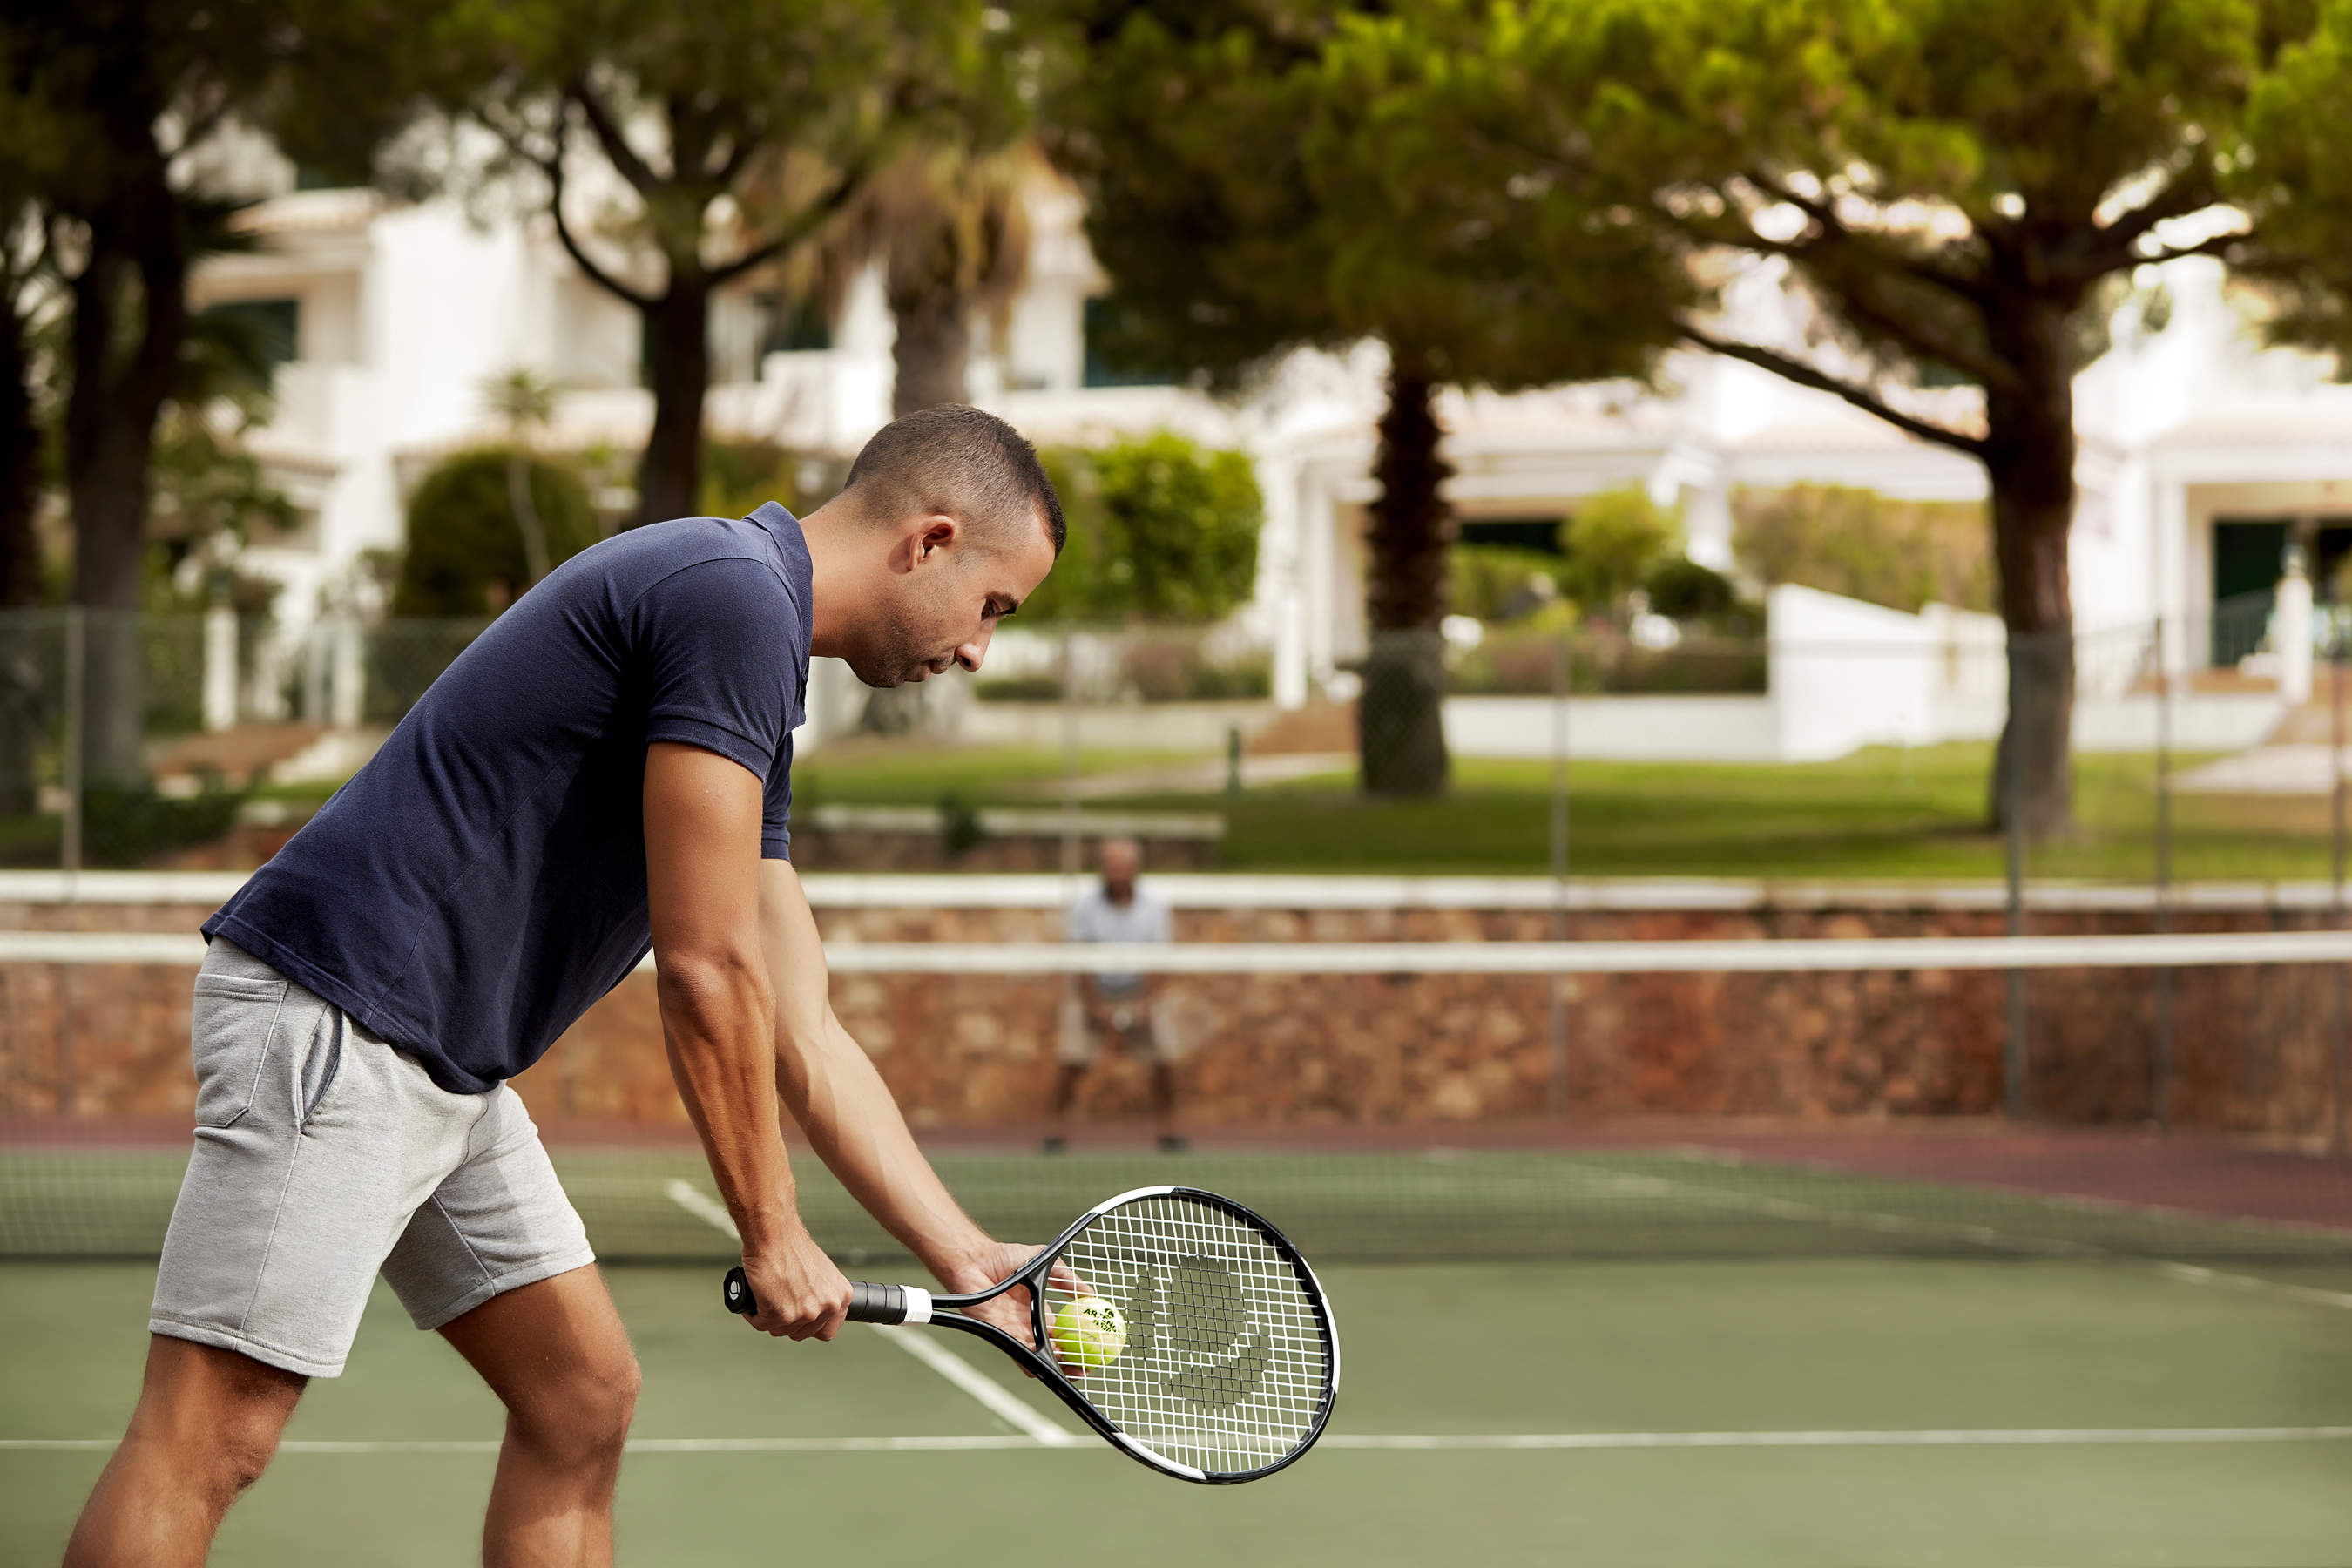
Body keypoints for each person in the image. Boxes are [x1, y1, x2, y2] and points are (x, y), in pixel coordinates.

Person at [64, 406, 1064, 1567]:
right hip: (342, 1017)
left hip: (439, 1063)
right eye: (995, 607)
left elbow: (802, 1024)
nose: (979, 651)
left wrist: (967, 1256)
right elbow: (705, 966)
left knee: (581, 1399)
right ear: (931, 541)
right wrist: (773, 1231)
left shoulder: (751, 649)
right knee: (211, 1435)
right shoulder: (732, 599)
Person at [1046, 836, 1184, 1153]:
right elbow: (1080, 961)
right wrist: (1095, 1008)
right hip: (1094, 991)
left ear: (1135, 869)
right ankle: (1056, 1129)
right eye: (1112, 866)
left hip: (1139, 991)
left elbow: (1159, 961)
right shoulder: (1085, 905)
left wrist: (1146, 1003)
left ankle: (1168, 1130)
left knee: (1163, 1059)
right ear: (1102, 868)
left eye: (1123, 866)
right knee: (1071, 1060)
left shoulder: (1154, 906)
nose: (1117, 873)